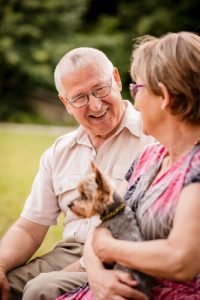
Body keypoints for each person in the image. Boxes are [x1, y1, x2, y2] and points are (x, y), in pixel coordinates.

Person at [0, 47, 152, 300]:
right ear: (66, 103)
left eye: (100, 89)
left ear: (116, 79)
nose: (95, 104)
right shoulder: (59, 151)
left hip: (121, 256)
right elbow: (29, 228)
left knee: (40, 290)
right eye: (79, 97)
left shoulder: (153, 137)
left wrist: (86, 264)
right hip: (68, 252)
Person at [58, 32, 200, 300]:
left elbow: (181, 259)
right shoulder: (150, 156)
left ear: (165, 97)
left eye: (137, 89)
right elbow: (110, 224)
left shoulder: (197, 166)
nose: (132, 101)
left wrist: (109, 250)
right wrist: (98, 275)